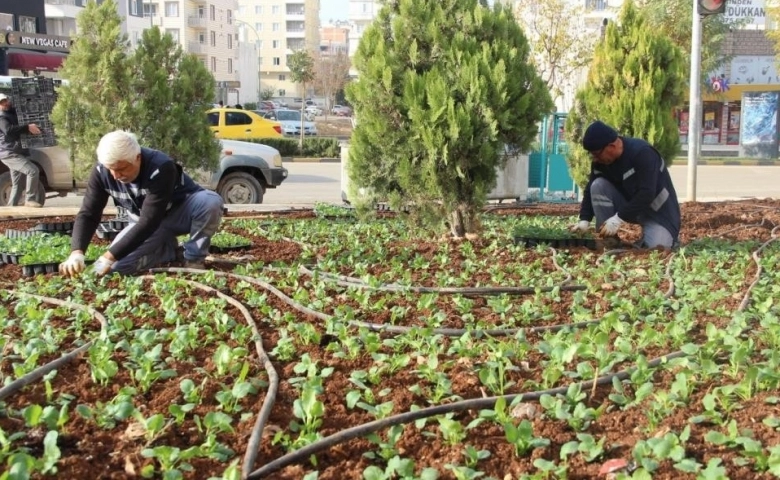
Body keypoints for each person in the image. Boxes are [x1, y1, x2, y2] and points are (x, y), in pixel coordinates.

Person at [59, 130, 224, 277]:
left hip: (180, 214)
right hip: (146, 224)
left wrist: (107, 257)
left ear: (137, 158)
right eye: (111, 169)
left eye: (122, 169)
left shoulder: (160, 167)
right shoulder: (101, 172)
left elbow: (149, 221)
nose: (116, 176)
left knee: (209, 202)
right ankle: (169, 251)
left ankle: (193, 258)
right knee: (116, 268)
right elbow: (89, 213)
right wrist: (77, 252)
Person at [570, 120, 680, 249]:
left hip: (659, 213)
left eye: (596, 154)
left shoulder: (642, 153)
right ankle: (609, 239)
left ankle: (664, 239)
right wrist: (584, 220)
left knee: (658, 247)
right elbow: (590, 189)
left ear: (611, 146)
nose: (594, 159)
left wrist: (618, 218)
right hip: (631, 206)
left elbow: (647, 193)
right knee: (597, 185)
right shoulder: (601, 161)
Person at [0, 93, 43, 207]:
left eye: (5, 101)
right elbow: (8, 130)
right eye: (1, 103)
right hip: (9, 153)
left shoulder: (12, 113)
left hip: (16, 152)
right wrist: (27, 127)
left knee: (17, 184)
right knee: (33, 171)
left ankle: (10, 210)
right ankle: (30, 198)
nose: (4, 104)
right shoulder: (1, 117)